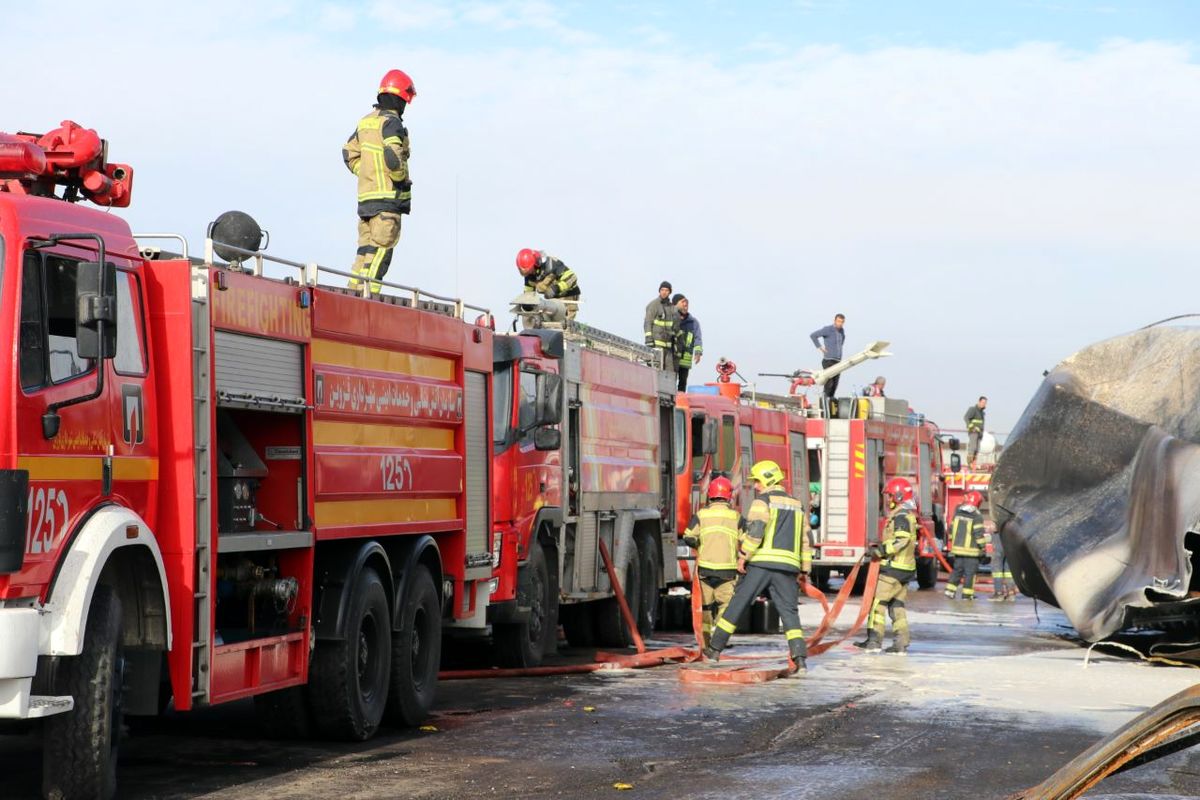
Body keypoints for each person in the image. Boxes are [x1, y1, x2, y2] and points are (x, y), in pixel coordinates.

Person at [704, 460, 811, 676]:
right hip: (788, 568)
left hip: (761, 564)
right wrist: (805, 569)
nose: (755, 486)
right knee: (790, 614)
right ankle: (800, 660)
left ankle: (714, 650)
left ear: (767, 479)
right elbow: (806, 540)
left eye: (757, 481)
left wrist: (743, 556)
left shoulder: (762, 502)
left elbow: (755, 532)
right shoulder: (797, 505)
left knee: (737, 604)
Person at [344, 69, 416, 295]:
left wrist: (365, 172)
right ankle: (369, 295)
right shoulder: (391, 123)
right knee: (382, 249)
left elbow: (348, 153)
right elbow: (394, 158)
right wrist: (399, 180)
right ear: (400, 98)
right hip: (387, 201)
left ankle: (354, 290)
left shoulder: (366, 123)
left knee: (365, 250)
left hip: (366, 199)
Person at [682, 476, 743, 648]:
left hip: (705, 571)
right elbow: (747, 540)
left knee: (706, 609)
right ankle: (719, 640)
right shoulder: (736, 517)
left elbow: (688, 536)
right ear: (729, 495)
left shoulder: (701, 515)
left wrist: (700, 544)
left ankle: (705, 644)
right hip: (728, 572)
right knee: (726, 608)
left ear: (710, 494)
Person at [858, 477, 917, 654]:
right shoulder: (906, 514)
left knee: (878, 603)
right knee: (896, 605)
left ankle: (874, 640)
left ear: (898, 496)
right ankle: (901, 643)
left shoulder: (900, 516)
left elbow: (902, 539)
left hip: (894, 569)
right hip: (905, 569)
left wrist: (881, 551)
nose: (889, 500)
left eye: (891, 496)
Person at [515, 248, 580, 319]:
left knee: (564, 325)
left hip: (568, 297)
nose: (529, 273)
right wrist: (527, 303)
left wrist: (556, 288)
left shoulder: (551, 264)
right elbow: (528, 292)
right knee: (547, 324)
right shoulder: (529, 274)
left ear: (536, 264)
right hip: (552, 300)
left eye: (530, 270)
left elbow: (572, 277)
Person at [944, 491, 986, 601]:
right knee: (969, 574)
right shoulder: (976, 516)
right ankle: (967, 595)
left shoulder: (958, 512)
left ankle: (950, 591)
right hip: (971, 552)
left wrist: (953, 542)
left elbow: (951, 530)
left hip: (958, 550)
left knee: (957, 571)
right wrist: (983, 547)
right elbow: (978, 534)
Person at [644, 281, 680, 372]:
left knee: (670, 373)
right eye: (662, 290)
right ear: (659, 291)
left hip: (668, 349)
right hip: (656, 346)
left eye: (667, 290)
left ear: (670, 292)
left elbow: (676, 328)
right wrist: (649, 340)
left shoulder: (672, 308)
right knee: (656, 371)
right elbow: (648, 322)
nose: (664, 292)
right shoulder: (653, 305)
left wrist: (676, 345)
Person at [810, 314, 846, 404]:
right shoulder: (828, 329)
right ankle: (824, 400)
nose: (840, 323)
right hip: (828, 360)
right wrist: (820, 347)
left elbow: (842, 341)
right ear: (834, 321)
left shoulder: (842, 331)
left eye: (842, 322)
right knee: (829, 382)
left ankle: (831, 400)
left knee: (835, 383)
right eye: (838, 321)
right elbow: (813, 335)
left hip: (838, 361)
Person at [674, 294, 703, 392]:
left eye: (687, 303)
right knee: (670, 380)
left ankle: (679, 403)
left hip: (685, 358)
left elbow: (698, 338)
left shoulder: (693, 322)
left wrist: (698, 353)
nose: (685, 305)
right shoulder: (672, 318)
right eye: (683, 302)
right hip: (673, 356)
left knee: (682, 382)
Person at [988, 522, 1017, 601]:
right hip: (1010, 545)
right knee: (1009, 571)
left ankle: (999, 593)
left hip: (998, 544)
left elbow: (994, 528)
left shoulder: (998, 514)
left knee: (997, 571)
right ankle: (1010, 593)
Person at [964, 396, 987, 464]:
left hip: (979, 433)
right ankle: (969, 464)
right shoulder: (973, 409)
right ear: (979, 402)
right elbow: (966, 417)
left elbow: (981, 423)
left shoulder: (982, 413)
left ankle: (973, 464)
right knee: (973, 448)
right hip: (973, 432)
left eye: (985, 403)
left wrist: (981, 433)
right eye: (983, 402)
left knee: (977, 449)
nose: (984, 404)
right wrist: (971, 427)